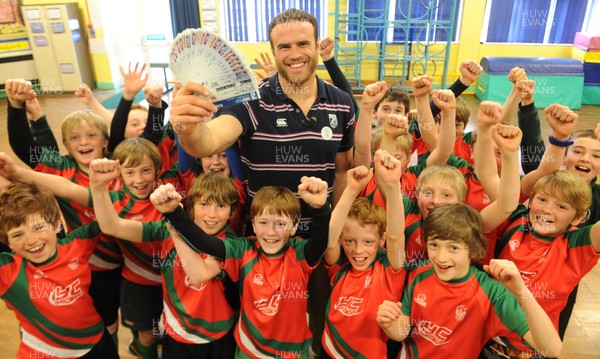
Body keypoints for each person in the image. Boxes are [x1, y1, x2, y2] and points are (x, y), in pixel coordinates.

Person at [170, 8, 355, 238]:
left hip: (319, 238)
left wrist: (334, 231)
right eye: (284, 47)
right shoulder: (251, 100)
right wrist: (187, 127)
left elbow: (341, 171)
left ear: (317, 45)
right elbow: (207, 143)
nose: (295, 54)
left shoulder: (342, 103)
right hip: (265, 243)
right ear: (273, 51)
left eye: (303, 44)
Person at [153, 175, 331, 358]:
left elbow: (320, 243)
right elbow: (204, 243)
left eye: (280, 224)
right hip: (248, 352)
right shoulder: (242, 249)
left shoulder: (300, 253)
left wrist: (320, 208)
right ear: (253, 223)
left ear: (294, 227)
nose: (271, 232)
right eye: (263, 222)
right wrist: (174, 213)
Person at [89, 160, 239, 358]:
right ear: (191, 207)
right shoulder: (164, 229)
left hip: (219, 336)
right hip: (177, 334)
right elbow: (112, 226)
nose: (212, 214)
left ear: (232, 212)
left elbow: (198, 274)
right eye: (203, 204)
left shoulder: (231, 243)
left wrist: (175, 225)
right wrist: (98, 186)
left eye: (221, 206)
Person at [376, 203, 563, 359]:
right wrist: (390, 324)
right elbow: (402, 331)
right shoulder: (419, 273)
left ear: (473, 251)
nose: (441, 257)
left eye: (453, 248)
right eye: (434, 245)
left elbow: (552, 349)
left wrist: (521, 290)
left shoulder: (492, 293)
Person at [0, 182, 119, 359]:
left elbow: (109, 218)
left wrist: (100, 183)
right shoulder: (7, 271)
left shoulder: (77, 243)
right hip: (43, 352)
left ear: (56, 224)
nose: (31, 240)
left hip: (98, 343)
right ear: (8, 243)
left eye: (38, 227)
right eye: (18, 234)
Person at [321, 150, 406, 358]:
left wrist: (393, 186)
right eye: (350, 241)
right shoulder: (338, 267)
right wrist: (351, 189)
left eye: (368, 242)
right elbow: (330, 239)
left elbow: (397, 236)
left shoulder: (390, 269)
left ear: (381, 240)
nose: (358, 250)